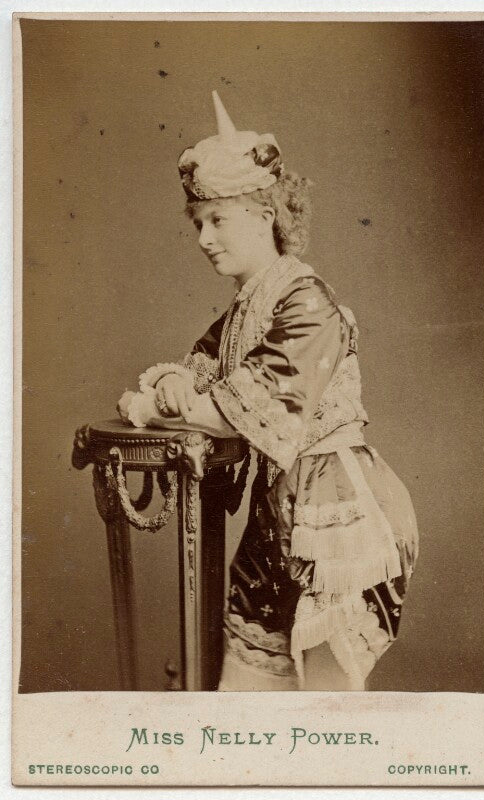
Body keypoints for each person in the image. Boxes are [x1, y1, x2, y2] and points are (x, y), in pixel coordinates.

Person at [118, 91, 419, 691]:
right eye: (199, 223)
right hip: (277, 509)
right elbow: (197, 370)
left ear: (264, 215)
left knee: (324, 702)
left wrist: (157, 406)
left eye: (218, 220)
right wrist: (170, 384)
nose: (204, 238)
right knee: (252, 685)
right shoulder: (246, 309)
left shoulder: (306, 303)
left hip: (335, 506)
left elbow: (242, 409)